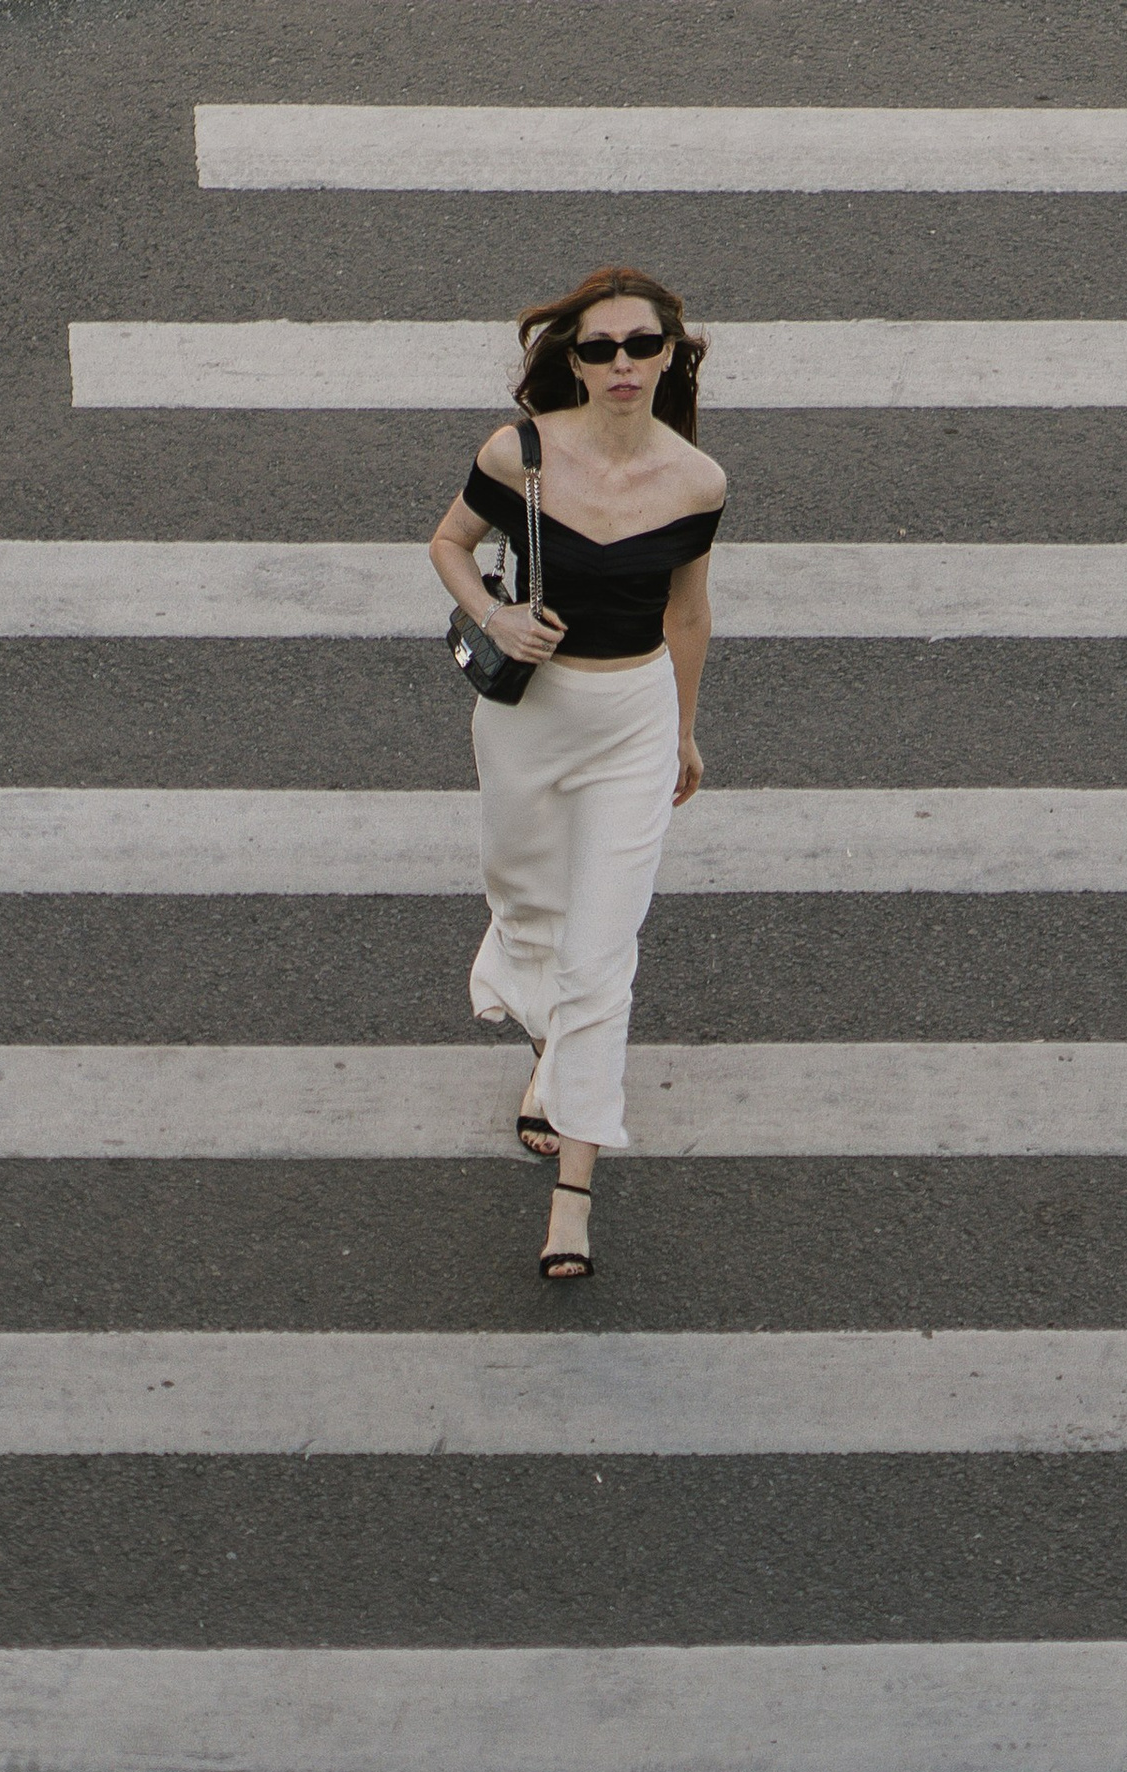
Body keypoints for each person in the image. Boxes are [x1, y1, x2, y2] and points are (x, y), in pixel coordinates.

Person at [429, 266, 726, 1282]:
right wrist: (494, 613)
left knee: (602, 955)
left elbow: (687, 615)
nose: (620, 366)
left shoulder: (696, 481)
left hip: (633, 719)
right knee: (523, 897)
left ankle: (574, 1197)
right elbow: (450, 544)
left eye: (640, 347)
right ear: (571, 358)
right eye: (598, 350)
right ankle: (544, 1040)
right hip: (529, 721)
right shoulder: (517, 454)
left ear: (669, 355)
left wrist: (684, 733)